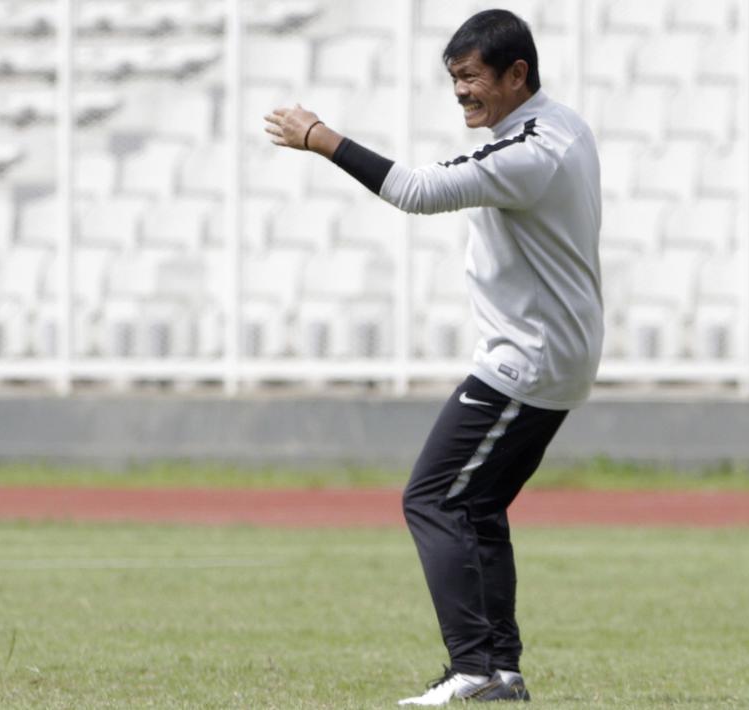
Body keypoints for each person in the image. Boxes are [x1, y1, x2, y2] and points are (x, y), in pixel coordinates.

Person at [264, 9, 603, 706]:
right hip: (550, 351)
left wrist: (319, 138)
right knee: (476, 507)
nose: (461, 92)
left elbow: (415, 191)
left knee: (430, 498)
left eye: (471, 77)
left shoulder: (530, 153)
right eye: (453, 79)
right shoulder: (560, 125)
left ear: (517, 74)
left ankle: (473, 668)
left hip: (526, 357)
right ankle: (499, 671)